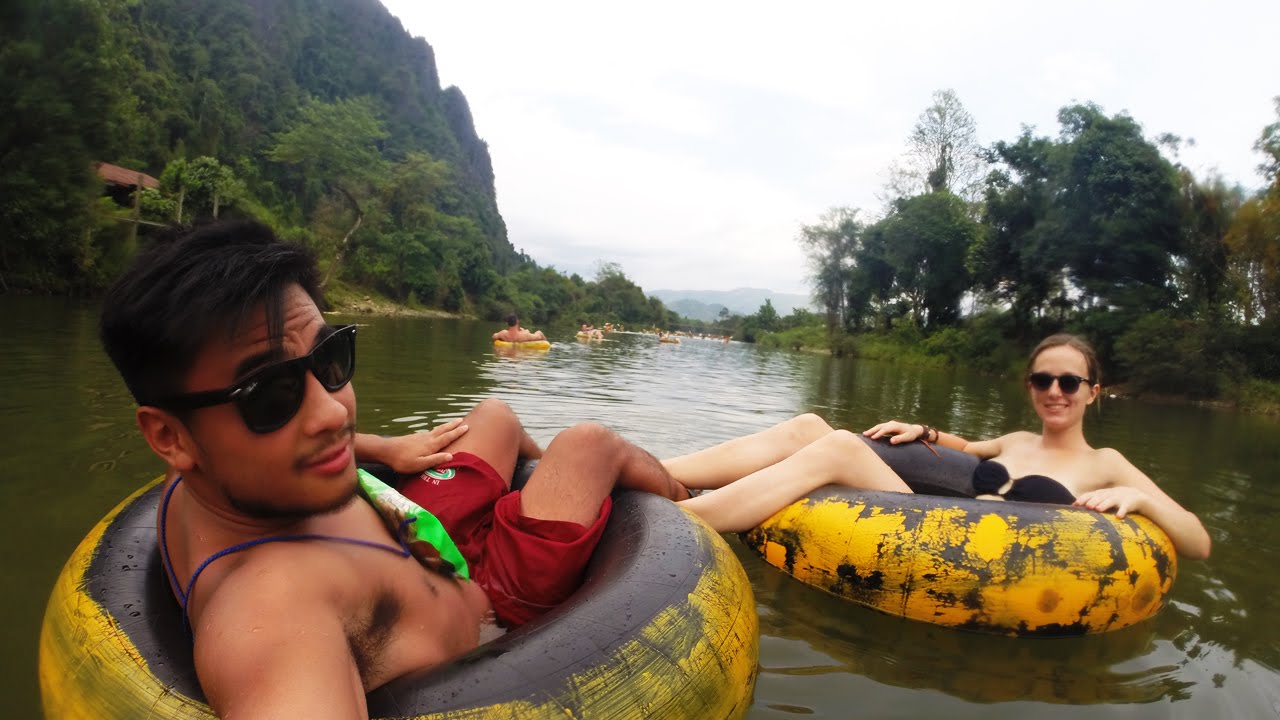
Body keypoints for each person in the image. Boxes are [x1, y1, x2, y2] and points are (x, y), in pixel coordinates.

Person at [98, 220, 689, 718]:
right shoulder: (271, 612)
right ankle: (689, 498)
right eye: (270, 395)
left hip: (425, 533)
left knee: (495, 414)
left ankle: (534, 484)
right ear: (169, 437)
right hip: (496, 603)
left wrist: (384, 448)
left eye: (330, 359)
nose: (333, 412)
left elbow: (304, 426)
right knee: (587, 444)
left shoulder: (228, 467)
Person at [666, 334, 1211, 560]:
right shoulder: (1016, 440)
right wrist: (924, 431)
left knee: (838, 448)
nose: (1054, 392)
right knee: (811, 424)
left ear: (1092, 393)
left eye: (1069, 382)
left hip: (961, 547)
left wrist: (1140, 501)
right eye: (1043, 380)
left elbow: (1199, 541)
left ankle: (679, 519)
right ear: (1031, 387)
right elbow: (968, 449)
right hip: (935, 511)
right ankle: (654, 474)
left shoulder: (1105, 464)